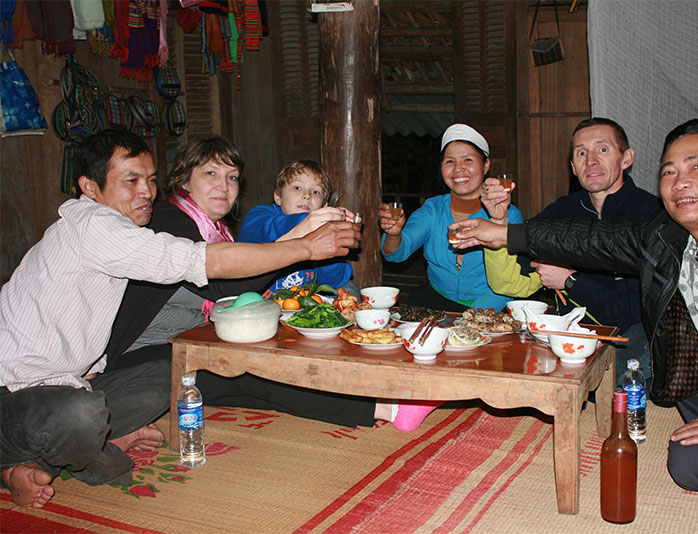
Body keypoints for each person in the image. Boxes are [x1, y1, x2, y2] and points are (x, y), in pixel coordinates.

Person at [0, 130, 360, 509]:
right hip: (14, 390)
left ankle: (56, 452)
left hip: (77, 381)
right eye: (131, 180)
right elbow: (210, 266)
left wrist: (305, 232)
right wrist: (306, 245)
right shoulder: (95, 225)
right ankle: (69, 456)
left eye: (150, 180)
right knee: (81, 415)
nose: (145, 192)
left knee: (176, 374)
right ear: (90, 187)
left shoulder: (131, 229)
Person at [451, 117, 698, 496]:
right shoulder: (670, 235)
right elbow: (595, 241)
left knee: (688, 461)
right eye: (670, 171)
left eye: (697, 167)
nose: (681, 181)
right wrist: (502, 230)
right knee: (682, 380)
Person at [105, 137, 437, 432]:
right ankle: (389, 408)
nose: (224, 185)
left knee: (259, 377)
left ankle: (373, 394)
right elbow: (221, 290)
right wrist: (304, 234)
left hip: (187, 344)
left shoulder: (217, 232)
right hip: (144, 357)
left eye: (232, 177)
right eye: (211, 174)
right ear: (184, 182)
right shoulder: (168, 219)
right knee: (255, 373)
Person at [481, 118, 662, 385]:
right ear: (573, 168)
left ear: (626, 159)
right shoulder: (563, 211)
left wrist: (570, 280)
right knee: (502, 366)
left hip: (632, 333)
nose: (591, 161)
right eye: (581, 153)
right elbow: (509, 283)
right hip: (570, 329)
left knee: (624, 377)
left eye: (602, 150)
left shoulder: (650, 213)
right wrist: (499, 221)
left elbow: (630, 310)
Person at [379, 123, 524, 313]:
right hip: (436, 300)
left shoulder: (509, 215)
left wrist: (471, 318)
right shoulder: (433, 209)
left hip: (489, 306)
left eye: (468, 160)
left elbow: (510, 281)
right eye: (450, 161)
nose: (458, 169)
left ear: (486, 165)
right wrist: (393, 234)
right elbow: (396, 254)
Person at [238, 160, 360, 297]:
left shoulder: (322, 232)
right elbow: (269, 229)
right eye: (297, 188)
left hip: (302, 308)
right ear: (278, 197)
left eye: (315, 192)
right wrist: (308, 222)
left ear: (324, 206)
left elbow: (333, 281)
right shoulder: (259, 215)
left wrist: (333, 247)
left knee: (350, 290)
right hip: (261, 304)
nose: (307, 195)